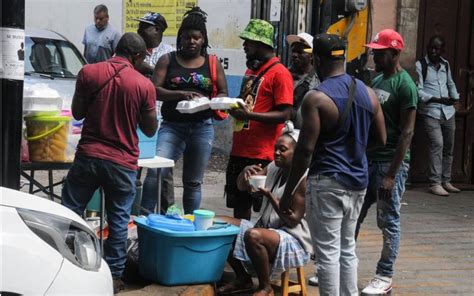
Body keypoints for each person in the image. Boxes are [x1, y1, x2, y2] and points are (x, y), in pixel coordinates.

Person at [279, 33, 386, 296]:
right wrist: (355, 152)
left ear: (315, 59)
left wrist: (288, 192)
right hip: (358, 181)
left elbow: (304, 151)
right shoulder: (368, 94)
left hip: (327, 182)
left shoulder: (316, 98)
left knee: (326, 253)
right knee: (347, 248)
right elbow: (381, 139)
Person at [61, 32, 157, 293]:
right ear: (137, 56)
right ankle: (114, 277)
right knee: (118, 222)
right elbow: (150, 130)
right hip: (122, 162)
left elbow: (78, 112)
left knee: (70, 212)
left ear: (117, 48)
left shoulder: (89, 73)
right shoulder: (143, 85)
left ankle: (64, 263)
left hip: (89, 155)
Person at [140, 7, 228, 214]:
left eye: (196, 38)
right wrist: (180, 94)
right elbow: (154, 89)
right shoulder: (168, 60)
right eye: (187, 37)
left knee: (193, 181)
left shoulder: (212, 63)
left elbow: (223, 92)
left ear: (203, 40)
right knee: (155, 172)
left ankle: (191, 223)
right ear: (181, 37)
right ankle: (143, 219)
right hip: (172, 127)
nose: (192, 42)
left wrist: (212, 101)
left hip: (202, 128)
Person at [217, 122, 313, 296]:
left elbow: (292, 220)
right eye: (275, 148)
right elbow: (241, 187)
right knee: (219, 225)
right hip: (270, 229)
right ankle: (242, 278)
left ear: (297, 153)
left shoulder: (304, 178)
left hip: (294, 239)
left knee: (253, 235)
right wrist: (245, 174)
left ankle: (265, 287)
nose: (276, 153)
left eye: (282, 150)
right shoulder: (274, 167)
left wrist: (269, 197)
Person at [356, 29, 418, 295]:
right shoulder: (378, 78)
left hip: (389, 164)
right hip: (368, 160)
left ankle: (385, 274)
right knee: (354, 214)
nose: (374, 56)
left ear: (394, 53)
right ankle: (339, 262)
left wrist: (392, 174)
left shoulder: (406, 86)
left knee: (388, 220)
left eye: (379, 53)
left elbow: (407, 132)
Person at [225, 19, 293, 220]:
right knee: (239, 207)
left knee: (263, 209)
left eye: (249, 42)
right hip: (240, 149)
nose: (244, 46)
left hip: (262, 155)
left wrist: (249, 116)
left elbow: (285, 113)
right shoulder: (251, 70)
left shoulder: (280, 74)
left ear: (262, 44)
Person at [136, 12, 176, 213]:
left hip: (162, 123)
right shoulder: (134, 51)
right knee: (132, 168)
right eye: (139, 27)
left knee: (162, 173)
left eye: (145, 27)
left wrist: (149, 69)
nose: (140, 31)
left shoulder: (170, 54)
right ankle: (133, 212)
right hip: (136, 121)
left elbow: (171, 84)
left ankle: (166, 215)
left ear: (158, 30)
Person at [416, 35, 461, 196]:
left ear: (442, 50)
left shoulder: (445, 64)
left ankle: (446, 180)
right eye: (431, 48)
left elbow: (450, 83)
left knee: (449, 147)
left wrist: (455, 99)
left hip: (448, 112)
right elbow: (419, 91)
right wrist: (435, 99)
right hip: (431, 111)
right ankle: (435, 182)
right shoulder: (420, 65)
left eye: (437, 48)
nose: (433, 51)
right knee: (438, 144)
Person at [286, 32, 320, 128]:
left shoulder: (318, 80)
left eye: (300, 52)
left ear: (311, 55)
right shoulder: (282, 75)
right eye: (293, 51)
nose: (295, 55)